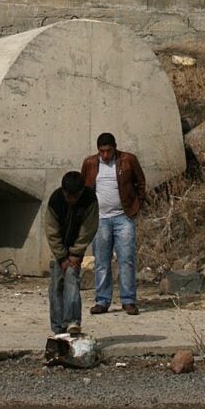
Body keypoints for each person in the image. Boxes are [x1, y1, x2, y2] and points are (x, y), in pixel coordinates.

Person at [81, 132, 146, 316]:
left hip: (123, 217)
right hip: (100, 219)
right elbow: (85, 189)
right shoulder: (90, 164)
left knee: (127, 259)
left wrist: (136, 207)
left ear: (115, 147)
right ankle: (102, 300)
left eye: (109, 151)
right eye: (102, 151)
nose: (106, 155)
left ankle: (128, 300)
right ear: (98, 151)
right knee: (101, 261)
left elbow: (140, 183)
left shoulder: (128, 160)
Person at [45, 170, 99, 337]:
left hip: (76, 246)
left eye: (75, 196)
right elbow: (51, 230)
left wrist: (75, 253)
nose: (72, 200)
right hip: (59, 247)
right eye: (69, 196)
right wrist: (61, 256)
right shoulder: (55, 200)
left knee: (71, 278)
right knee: (56, 284)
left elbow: (88, 229)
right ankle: (58, 327)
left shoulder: (89, 199)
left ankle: (73, 322)